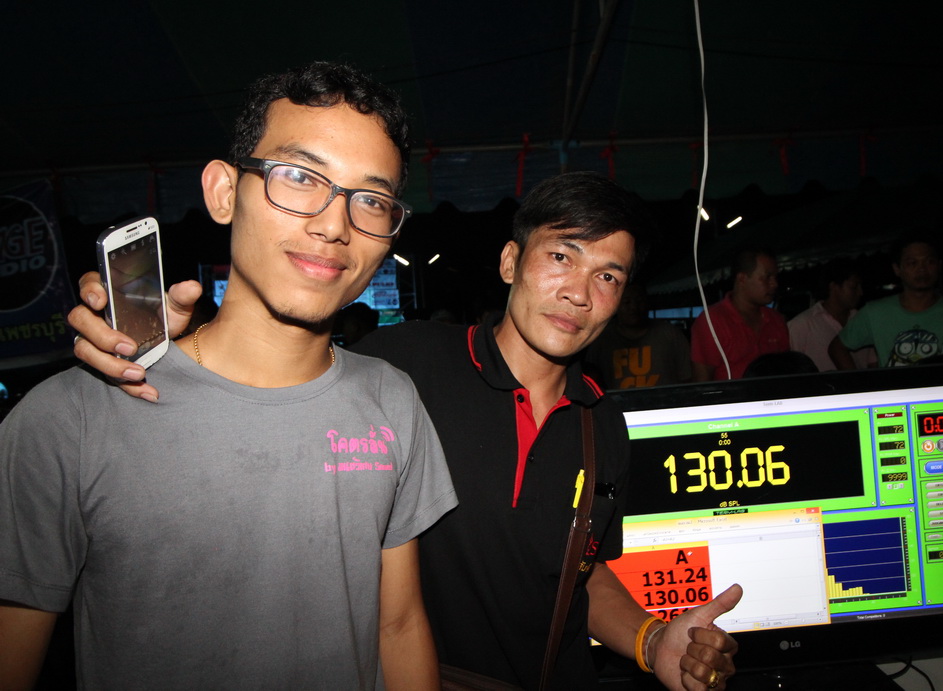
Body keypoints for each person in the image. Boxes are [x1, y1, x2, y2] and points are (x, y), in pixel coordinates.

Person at [69, 172, 742, 690]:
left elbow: (580, 574)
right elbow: (271, 385)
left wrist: (653, 641)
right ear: (510, 262)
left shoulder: (603, 424)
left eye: (607, 275)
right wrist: (173, 353)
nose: (579, 292)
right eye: (561, 257)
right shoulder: (403, 367)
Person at [1, 61, 457, 690]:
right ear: (223, 192)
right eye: (299, 177)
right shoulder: (70, 417)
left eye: (371, 201)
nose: (333, 226)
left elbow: (398, 626)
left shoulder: (392, 400)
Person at [829, 236, 943, 369]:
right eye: (912, 263)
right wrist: (859, 382)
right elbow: (837, 347)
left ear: (939, 266)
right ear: (897, 269)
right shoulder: (875, 313)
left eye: (929, 262)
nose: (922, 269)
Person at [690, 246, 789, 381]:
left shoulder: (776, 320)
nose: (774, 284)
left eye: (775, 277)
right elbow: (702, 382)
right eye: (767, 277)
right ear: (742, 278)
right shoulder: (712, 322)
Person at [583, 282, 693, 389]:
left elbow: (688, 379)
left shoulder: (670, 335)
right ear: (616, 305)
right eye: (627, 302)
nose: (633, 307)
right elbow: (590, 382)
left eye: (639, 301)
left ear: (648, 303)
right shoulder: (602, 339)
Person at [787, 258, 875, 371]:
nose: (860, 292)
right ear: (833, 286)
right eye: (853, 287)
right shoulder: (801, 325)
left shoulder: (863, 320)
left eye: (860, 287)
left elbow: (873, 363)